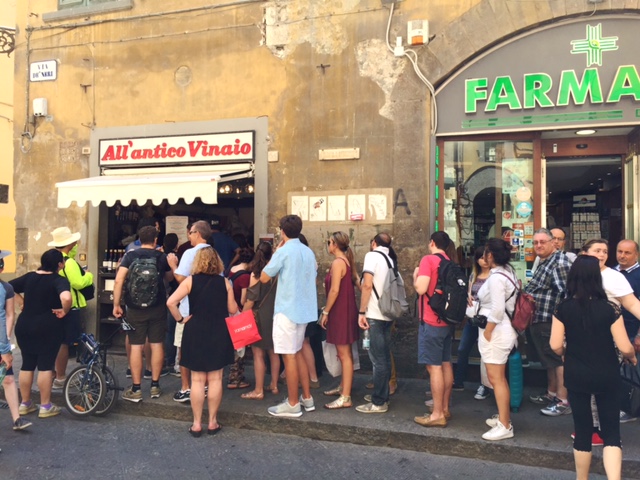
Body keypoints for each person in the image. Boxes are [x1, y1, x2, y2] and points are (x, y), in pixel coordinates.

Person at [550, 255, 637, 480]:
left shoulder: (562, 308)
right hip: (607, 372)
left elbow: (555, 345)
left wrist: (566, 351)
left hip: (576, 372)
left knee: (582, 428)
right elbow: (624, 346)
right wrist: (631, 356)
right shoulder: (610, 309)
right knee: (611, 430)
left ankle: (582, 478)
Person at [167, 247, 238, 436]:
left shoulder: (190, 281)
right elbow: (232, 309)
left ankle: (197, 424)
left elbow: (170, 302)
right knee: (215, 378)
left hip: (195, 329)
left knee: (197, 379)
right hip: (219, 330)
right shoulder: (225, 282)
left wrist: (181, 319)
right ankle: (213, 422)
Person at [580, 238, 640, 446]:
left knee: (603, 388)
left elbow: (633, 304)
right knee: (586, 388)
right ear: (585, 253)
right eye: (597, 250)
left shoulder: (614, 277)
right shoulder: (579, 275)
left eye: (605, 251)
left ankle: (606, 433)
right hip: (581, 340)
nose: (602, 255)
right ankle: (592, 429)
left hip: (607, 340)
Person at [260, 215, 318, 417]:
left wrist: (277, 252)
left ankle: (293, 403)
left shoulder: (283, 251)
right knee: (298, 351)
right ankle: (307, 398)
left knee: (289, 355)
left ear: (282, 231)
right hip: (305, 309)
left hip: (287, 309)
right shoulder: (308, 251)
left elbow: (264, 277)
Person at [113, 225, 173, 402]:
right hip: (157, 306)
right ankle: (155, 386)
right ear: (155, 240)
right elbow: (169, 278)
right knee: (156, 344)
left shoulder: (130, 256)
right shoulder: (161, 257)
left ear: (139, 239)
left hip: (135, 308)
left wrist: (116, 304)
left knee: (136, 346)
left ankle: (136, 388)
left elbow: (119, 280)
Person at [10, 249, 72, 418]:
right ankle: (45, 405)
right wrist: (65, 310)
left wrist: (21, 301)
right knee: (45, 365)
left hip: (24, 325)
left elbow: (8, 287)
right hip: (47, 327)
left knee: (27, 364)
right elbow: (66, 298)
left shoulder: (30, 277)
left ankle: (25, 403)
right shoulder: (59, 280)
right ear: (59, 264)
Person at [524, 228, 572, 416]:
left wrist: (562, 324)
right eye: (535, 242)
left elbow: (566, 295)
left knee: (557, 360)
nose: (538, 245)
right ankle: (551, 393)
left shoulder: (559, 263)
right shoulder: (546, 261)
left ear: (554, 243)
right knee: (549, 360)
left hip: (551, 320)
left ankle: (562, 400)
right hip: (541, 319)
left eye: (543, 242)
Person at [476, 238, 519, 441]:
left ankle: (505, 425)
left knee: (496, 379)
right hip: (502, 330)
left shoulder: (496, 278)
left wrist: (488, 331)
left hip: (497, 332)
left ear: (490, 255)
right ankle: (504, 418)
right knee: (499, 378)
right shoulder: (507, 272)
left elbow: (497, 310)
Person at [413, 231, 458, 427]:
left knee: (434, 367)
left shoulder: (428, 260)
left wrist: (415, 276)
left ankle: (437, 414)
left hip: (431, 320)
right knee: (445, 363)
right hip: (446, 321)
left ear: (432, 242)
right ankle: (445, 408)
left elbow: (421, 288)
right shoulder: (449, 261)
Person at [167, 220, 213, 403]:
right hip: (209, 310)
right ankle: (206, 386)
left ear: (198, 234)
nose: (189, 236)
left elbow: (181, 280)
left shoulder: (189, 253)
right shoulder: (214, 253)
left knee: (184, 349)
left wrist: (173, 265)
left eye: (191, 232)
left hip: (188, 310)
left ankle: (186, 387)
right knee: (206, 350)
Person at [47, 227, 94, 390]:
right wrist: (88, 275)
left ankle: (52, 374)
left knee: (55, 341)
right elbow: (78, 283)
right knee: (64, 343)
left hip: (54, 305)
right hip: (69, 306)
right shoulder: (69, 262)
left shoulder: (51, 260)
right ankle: (61, 377)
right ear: (69, 244)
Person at [356, 233, 398, 414]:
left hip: (374, 313)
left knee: (378, 360)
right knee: (384, 358)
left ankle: (379, 402)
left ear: (374, 243)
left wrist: (361, 311)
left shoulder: (372, 256)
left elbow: (367, 285)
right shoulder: (390, 259)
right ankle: (382, 395)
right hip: (388, 314)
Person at [320, 232, 360, 409]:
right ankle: (344, 387)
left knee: (344, 354)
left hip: (340, 311)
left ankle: (345, 396)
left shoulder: (338, 262)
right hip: (346, 310)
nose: (328, 244)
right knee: (346, 353)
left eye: (329, 242)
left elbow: (334, 290)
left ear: (335, 244)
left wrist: (326, 311)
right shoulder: (346, 261)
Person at [240, 242, 280, 400]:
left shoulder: (256, 274)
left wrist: (242, 316)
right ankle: (274, 385)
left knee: (258, 354)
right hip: (275, 315)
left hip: (258, 316)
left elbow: (250, 300)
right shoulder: (277, 273)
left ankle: (258, 390)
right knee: (274, 351)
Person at [0, 250, 32, 431]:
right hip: (1, 344)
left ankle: (17, 418)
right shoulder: (5, 289)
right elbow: (7, 316)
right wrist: (4, 347)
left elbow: (9, 315)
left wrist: (4, 341)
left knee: (9, 379)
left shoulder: (7, 289)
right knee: (8, 379)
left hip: (1, 342)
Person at [453, 246, 491, 392]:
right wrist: (468, 298)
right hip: (473, 318)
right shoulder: (474, 275)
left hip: (487, 319)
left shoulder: (495, 276)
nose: (484, 260)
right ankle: (459, 381)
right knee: (462, 349)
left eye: (487, 257)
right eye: (481, 257)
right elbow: (469, 292)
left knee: (485, 352)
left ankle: (485, 385)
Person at [614, 239, 640, 423]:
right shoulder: (611, 272)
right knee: (620, 373)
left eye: (627, 253)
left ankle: (632, 410)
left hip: (633, 331)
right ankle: (623, 407)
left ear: (636, 254)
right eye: (620, 251)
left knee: (633, 373)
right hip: (615, 330)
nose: (622, 256)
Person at [226, 247, 254, 390]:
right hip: (239, 313)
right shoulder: (245, 277)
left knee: (234, 346)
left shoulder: (231, 271)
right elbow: (243, 300)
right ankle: (235, 378)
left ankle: (234, 376)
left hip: (230, 313)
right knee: (240, 348)